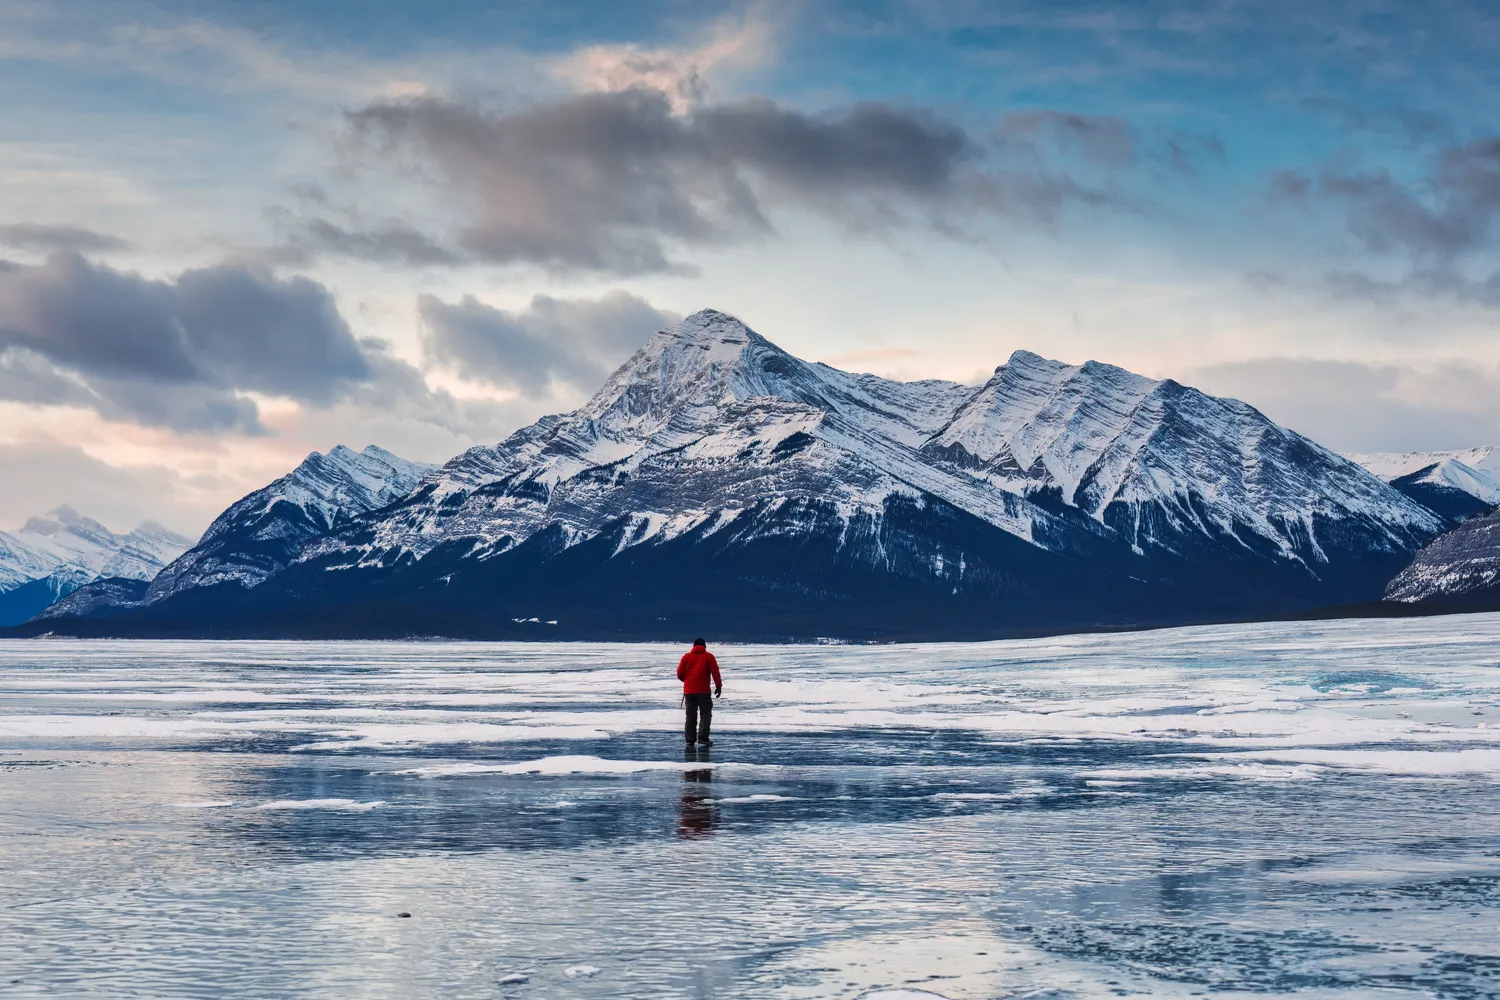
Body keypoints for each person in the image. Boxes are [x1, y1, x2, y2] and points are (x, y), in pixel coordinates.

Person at [676, 637, 721, 747]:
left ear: (693, 646)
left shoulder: (686, 657)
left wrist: (687, 682)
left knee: (690, 715)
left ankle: (690, 740)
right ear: (704, 646)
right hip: (704, 691)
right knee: (705, 715)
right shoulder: (709, 657)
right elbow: (715, 673)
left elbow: (679, 673)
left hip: (689, 692)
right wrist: (718, 687)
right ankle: (703, 738)